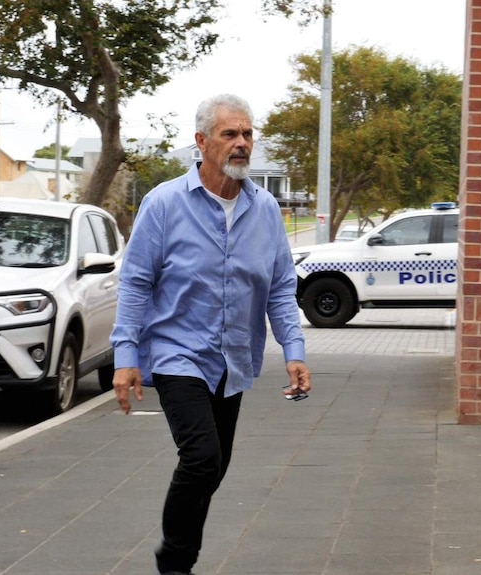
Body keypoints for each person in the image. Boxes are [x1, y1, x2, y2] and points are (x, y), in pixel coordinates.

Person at [110, 93, 311, 575]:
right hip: (177, 353)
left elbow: (281, 286)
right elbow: (136, 283)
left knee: (213, 468)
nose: (241, 144)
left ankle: (178, 556)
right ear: (201, 142)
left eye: (247, 134)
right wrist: (124, 356)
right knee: (201, 457)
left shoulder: (265, 211)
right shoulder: (164, 204)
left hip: (233, 359)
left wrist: (295, 351)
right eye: (229, 135)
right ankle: (175, 565)